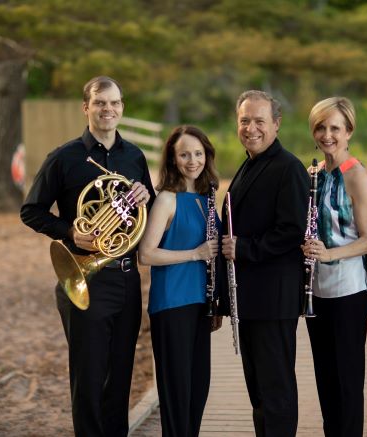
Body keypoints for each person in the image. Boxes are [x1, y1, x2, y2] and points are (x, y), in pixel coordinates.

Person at [20, 76, 155, 437]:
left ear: (122, 107)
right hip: (85, 277)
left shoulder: (134, 156)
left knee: (121, 375)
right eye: (100, 103)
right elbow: (31, 211)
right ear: (86, 108)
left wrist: (145, 196)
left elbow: (145, 215)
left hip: (126, 279)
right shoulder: (64, 157)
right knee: (89, 377)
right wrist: (70, 232)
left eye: (114, 103)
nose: (107, 109)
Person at [220, 90, 309, 437]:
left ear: (276, 123)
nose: (251, 128)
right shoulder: (250, 163)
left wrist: (244, 248)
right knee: (259, 389)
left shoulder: (289, 168)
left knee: (275, 390)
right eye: (245, 120)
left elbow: (292, 231)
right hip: (252, 299)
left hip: (273, 299)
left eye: (259, 121)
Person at [138, 125, 223, 437]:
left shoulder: (207, 199)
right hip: (172, 303)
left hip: (200, 304)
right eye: (184, 154)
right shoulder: (167, 200)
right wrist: (194, 254)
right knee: (177, 392)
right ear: (173, 159)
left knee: (198, 388)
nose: (193, 160)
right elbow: (145, 255)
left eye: (198, 153)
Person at [301, 97, 367, 436]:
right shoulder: (314, 174)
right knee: (326, 382)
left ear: (349, 132)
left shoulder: (356, 175)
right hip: (316, 292)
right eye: (321, 127)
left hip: (348, 291)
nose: (327, 135)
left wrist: (328, 255)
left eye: (335, 128)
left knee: (347, 384)